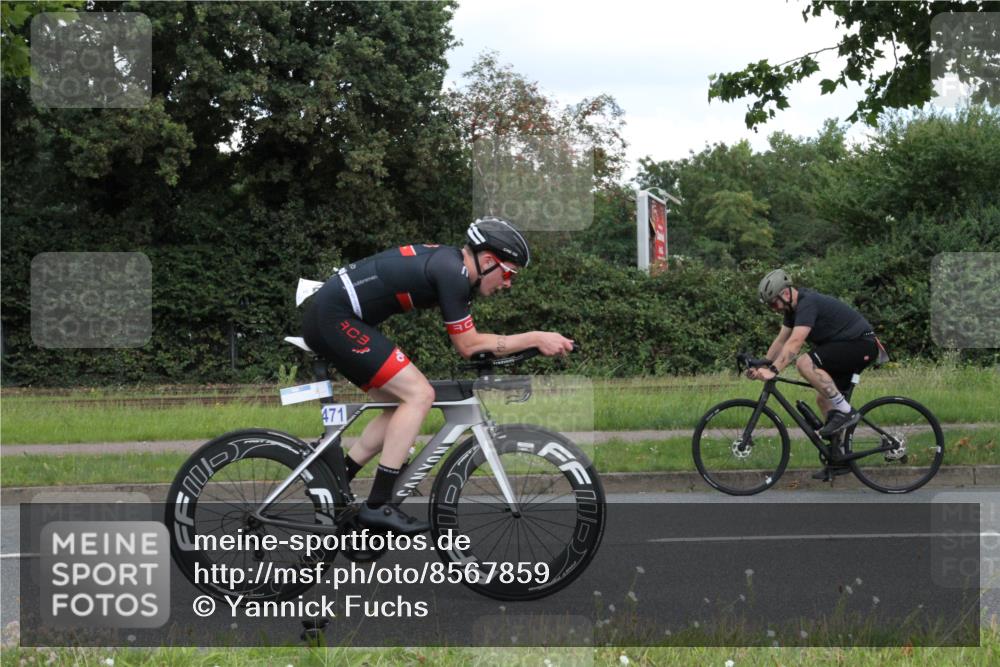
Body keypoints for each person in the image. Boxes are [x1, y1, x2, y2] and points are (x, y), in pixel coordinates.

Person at [302, 217, 574, 534]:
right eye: (508, 273)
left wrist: (525, 344)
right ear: (488, 261)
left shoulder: (454, 269)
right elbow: (468, 345)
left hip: (335, 315)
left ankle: (335, 478)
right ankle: (378, 505)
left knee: (398, 404)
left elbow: (473, 343)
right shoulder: (452, 272)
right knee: (419, 395)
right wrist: (535, 338)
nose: (508, 283)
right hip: (334, 317)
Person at [749, 269, 883, 444]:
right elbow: (781, 341)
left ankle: (846, 412)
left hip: (861, 344)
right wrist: (763, 366)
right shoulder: (791, 311)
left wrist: (774, 370)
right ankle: (839, 453)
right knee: (824, 399)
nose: (774, 309)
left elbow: (795, 342)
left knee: (805, 363)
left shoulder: (807, 303)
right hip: (845, 347)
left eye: (774, 304)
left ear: (786, 293)